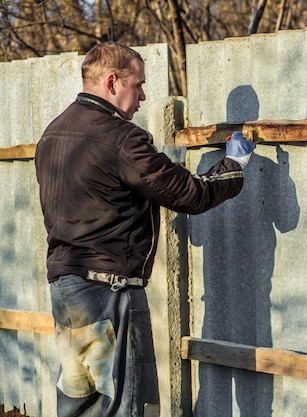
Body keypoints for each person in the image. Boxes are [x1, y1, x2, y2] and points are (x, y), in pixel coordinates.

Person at [34, 41, 255, 417]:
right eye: (138, 85)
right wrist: (233, 166)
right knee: (129, 405)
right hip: (108, 292)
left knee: (80, 404)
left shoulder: (52, 135)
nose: (143, 97)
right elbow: (189, 194)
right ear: (112, 81)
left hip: (66, 289)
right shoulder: (121, 138)